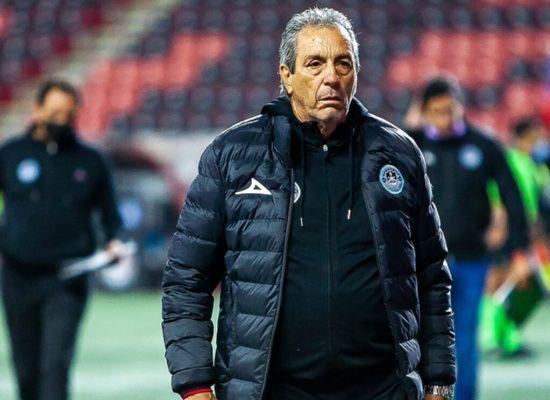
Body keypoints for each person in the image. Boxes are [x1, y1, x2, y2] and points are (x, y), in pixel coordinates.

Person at [162, 8, 455, 400]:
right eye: (315, 64)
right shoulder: (232, 156)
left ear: (356, 72)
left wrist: (439, 382)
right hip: (272, 390)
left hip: (382, 388)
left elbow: (432, 277)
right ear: (286, 74)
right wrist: (195, 385)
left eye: (343, 63)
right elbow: (187, 279)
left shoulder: (399, 154)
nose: (331, 76)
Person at [407, 76, 529, 400]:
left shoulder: (484, 146)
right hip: (423, 263)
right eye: (438, 111)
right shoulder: (410, 145)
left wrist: (518, 250)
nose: (446, 118)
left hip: (473, 259)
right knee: (420, 337)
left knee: (465, 335)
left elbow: (513, 197)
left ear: (461, 106)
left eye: (451, 109)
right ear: (424, 112)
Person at [0, 79, 123, 400]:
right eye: (54, 113)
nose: (61, 121)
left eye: (68, 115)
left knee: (55, 368)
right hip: (18, 278)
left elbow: (110, 214)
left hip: (68, 280)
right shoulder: (11, 154)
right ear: (37, 109)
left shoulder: (90, 160)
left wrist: (113, 241)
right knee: (26, 370)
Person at [480, 117, 550, 358]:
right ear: (524, 137)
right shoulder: (508, 161)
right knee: (501, 281)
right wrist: (498, 225)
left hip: (525, 231)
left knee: (529, 284)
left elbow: (535, 205)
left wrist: (539, 233)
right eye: (538, 137)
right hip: (509, 229)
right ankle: (494, 338)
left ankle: (505, 334)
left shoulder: (536, 167)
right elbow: (496, 195)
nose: (542, 142)